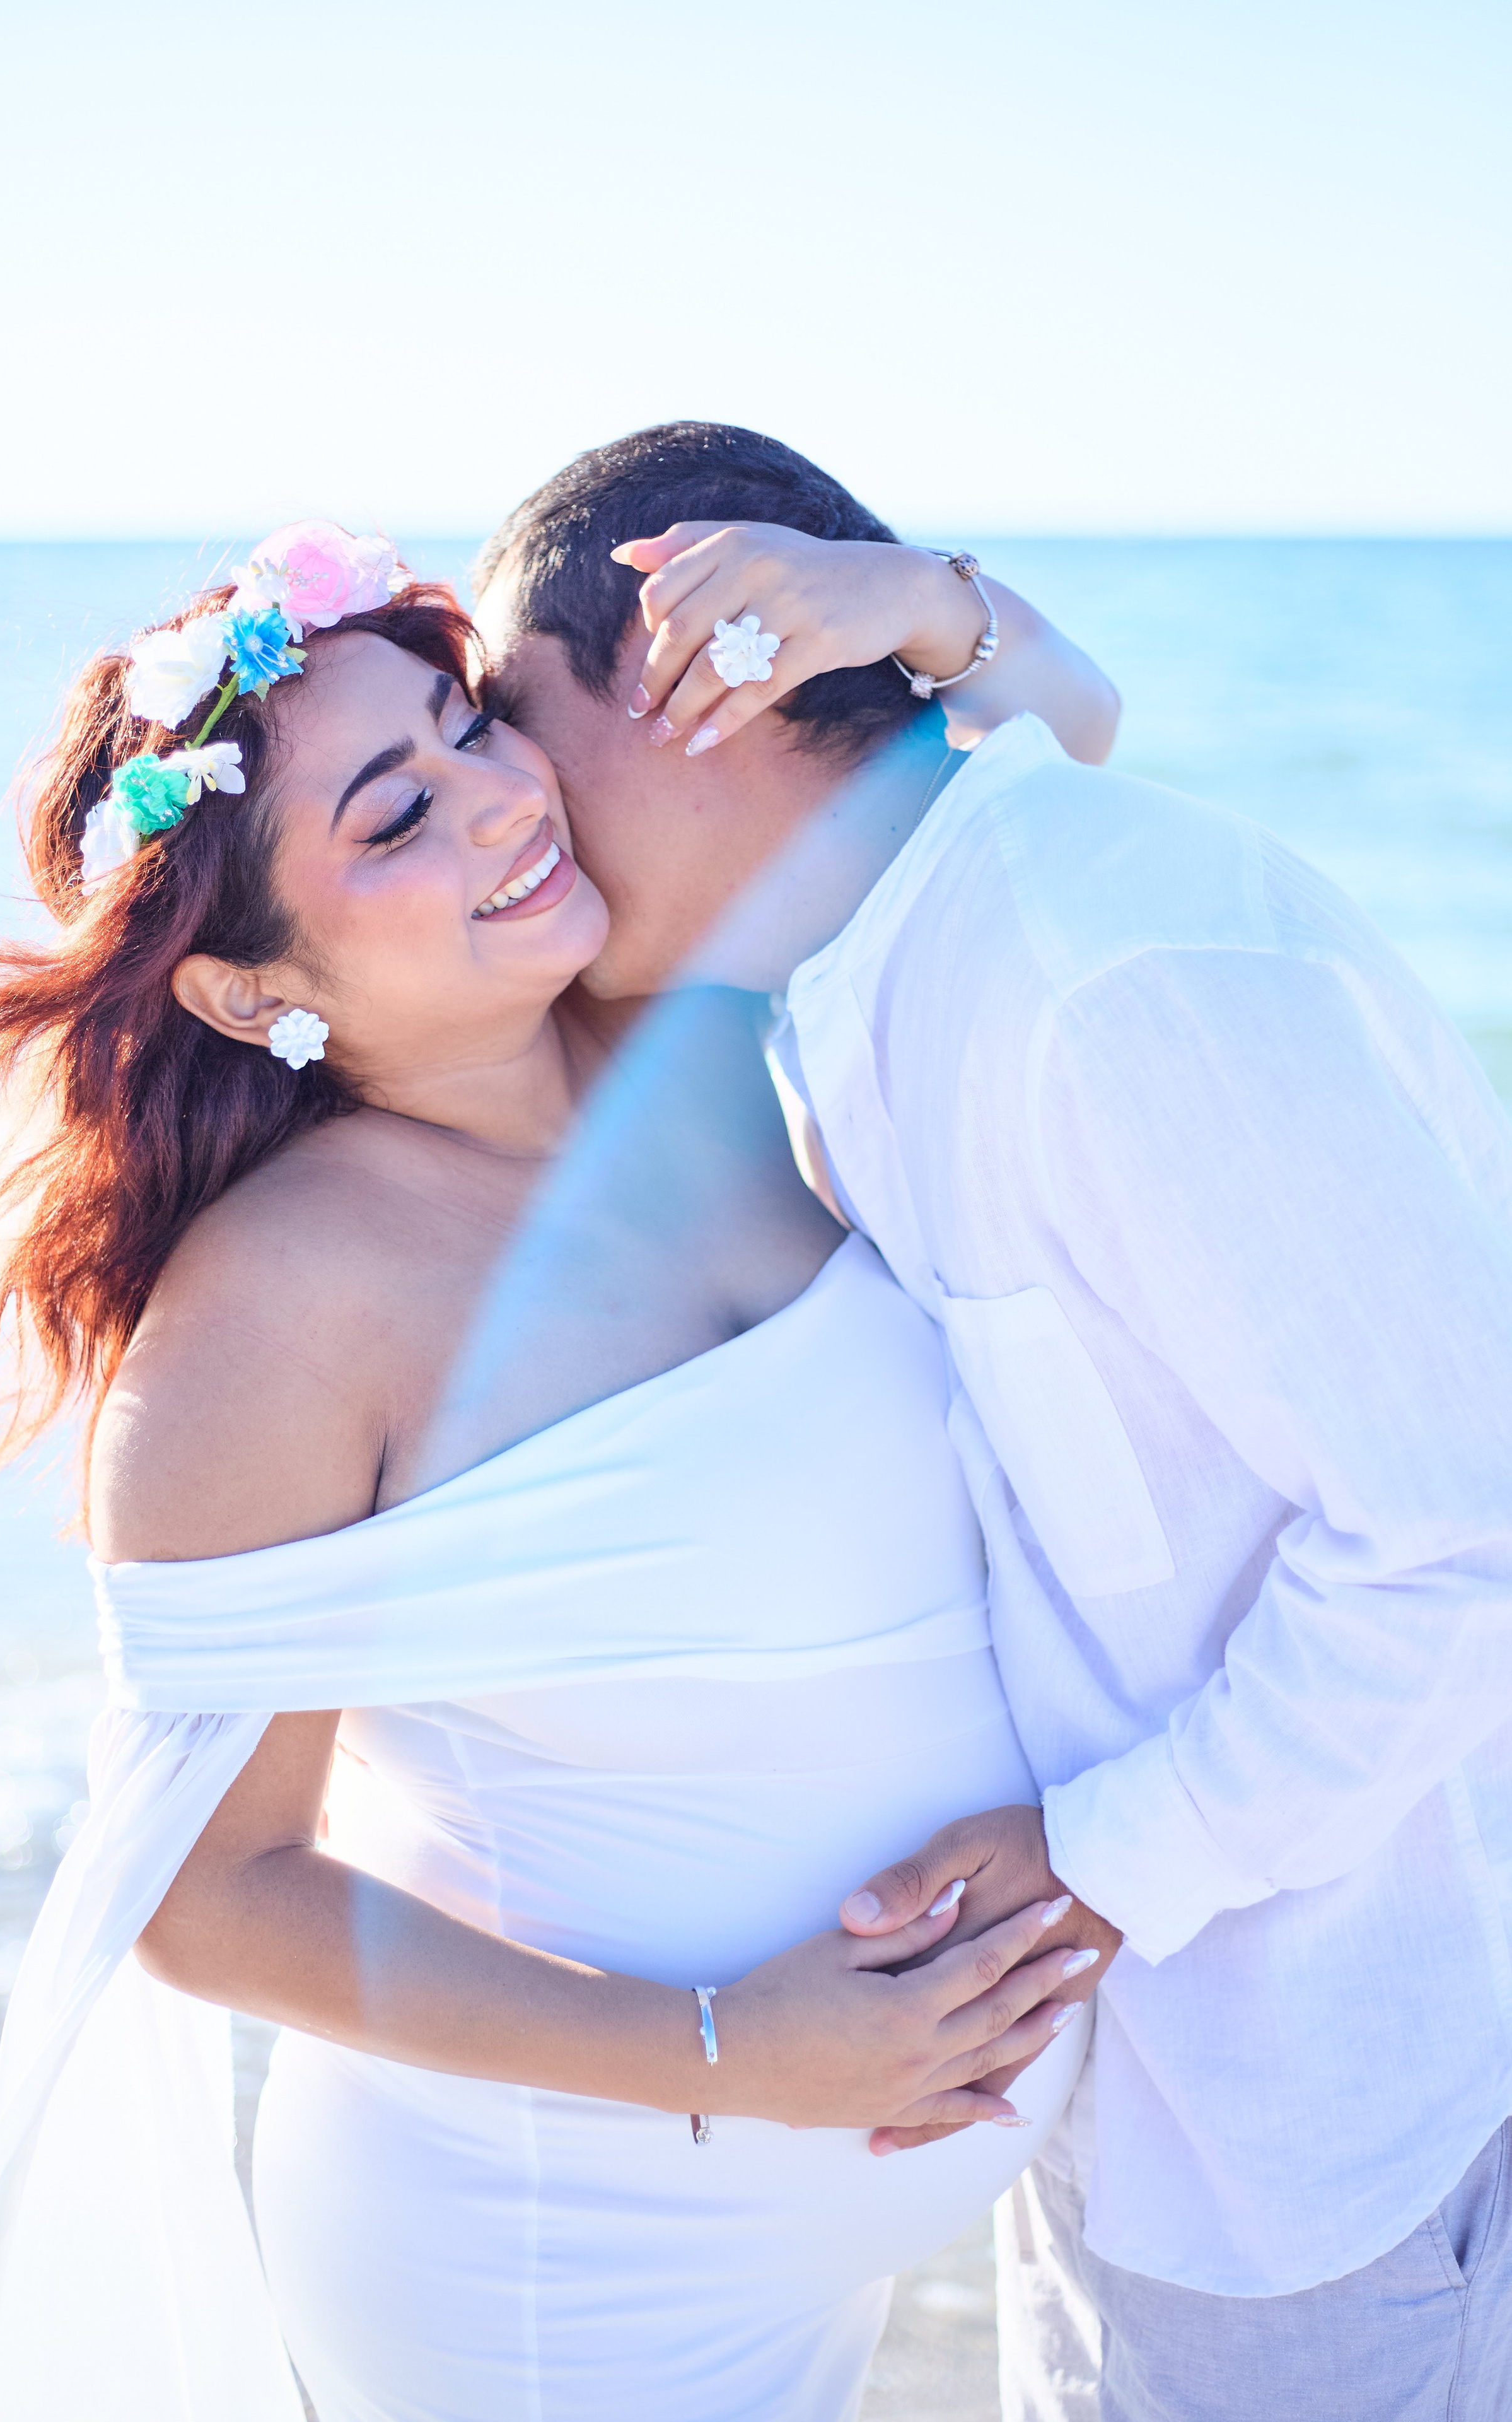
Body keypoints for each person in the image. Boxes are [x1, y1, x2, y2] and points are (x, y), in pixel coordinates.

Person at [0, 515, 1119, 2422]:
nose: (497, 800)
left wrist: (924, 605)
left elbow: (1069, 782)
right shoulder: (280, 1313)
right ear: (244, 988)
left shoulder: (708, 1038)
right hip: (553, 2265)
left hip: (841, 2203)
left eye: (464, 728)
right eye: (391, 820)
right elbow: (209, 1893)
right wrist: (734, 2053)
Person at [472, 421, 1512, 2420]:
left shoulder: (1099, 965)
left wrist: (1096, 1861)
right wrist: (949, 609)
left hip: (1330, 2128)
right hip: (1147, 2088)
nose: (512, 793)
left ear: (720, 660)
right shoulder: (878, 963)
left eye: (522, 718)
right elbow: (1063, 718)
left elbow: (1465, 1525)